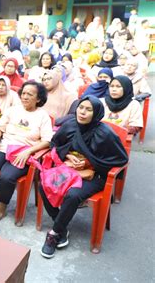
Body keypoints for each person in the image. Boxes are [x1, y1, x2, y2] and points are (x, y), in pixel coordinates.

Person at [39, 96, 128, 258]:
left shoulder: (105, 134)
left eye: (88, 109)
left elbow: (121, 159)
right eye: (81, 108)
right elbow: (55, 144)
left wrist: (91, 165)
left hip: (95, 175)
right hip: (70, 170)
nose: (83, 112)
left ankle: (54, 233)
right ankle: (62, 227)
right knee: (43, 184)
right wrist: (66, 157)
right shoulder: (70, 125)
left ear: (96, 113)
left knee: (73, 194)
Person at [0, 81, 53, 222]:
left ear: (39, 98)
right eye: (23, 93)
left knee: (7, 176)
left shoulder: (43, 116)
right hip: (4, 147)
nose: (25, 97)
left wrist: (28, 151)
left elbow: (47, 140)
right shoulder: (13, 110)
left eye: (30, 94)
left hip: (23, 152)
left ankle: (2, 205)